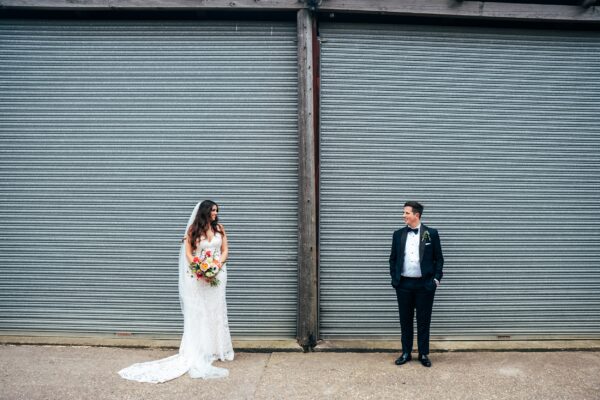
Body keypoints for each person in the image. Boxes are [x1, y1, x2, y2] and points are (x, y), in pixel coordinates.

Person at [118, 200, 234, 383]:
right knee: (199, 312)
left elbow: (225, 250)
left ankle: (216, 349)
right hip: (197, 276)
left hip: (218, 275)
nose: (215, 213)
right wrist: (200, 269)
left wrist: (217, 266)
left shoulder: (220, 228)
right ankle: (198, 348)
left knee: (216, 310)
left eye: (216, 210)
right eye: (212, 210)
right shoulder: (192, 231)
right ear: (204, 212)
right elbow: (189, 253)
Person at [389, 201, 444, 368]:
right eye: (404, 212)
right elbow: (392, 259)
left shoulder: (431, 234)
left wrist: (435, 279)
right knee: (405, 320)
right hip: (404, 284)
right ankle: (406, 352)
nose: (403, 215)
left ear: (416, 215)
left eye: (406, 213)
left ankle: (423, 353)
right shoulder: (398, 234)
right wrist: (395, 279)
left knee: (424, 320)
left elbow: (439, 259)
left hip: (424, 285)